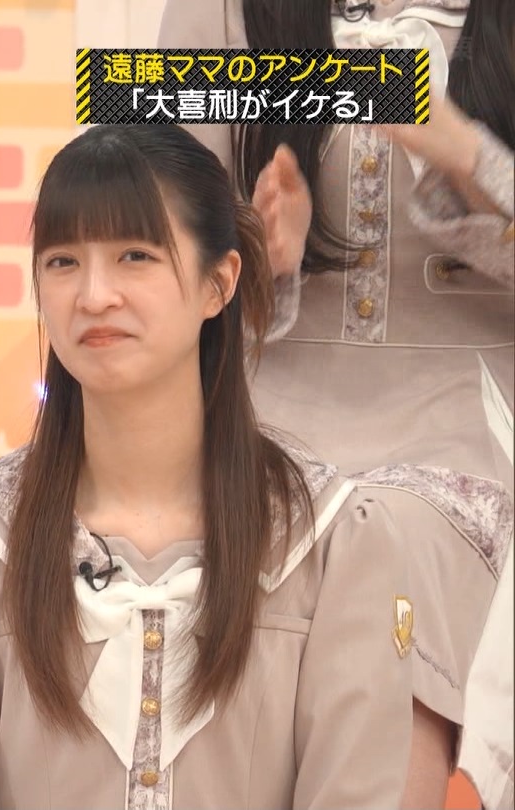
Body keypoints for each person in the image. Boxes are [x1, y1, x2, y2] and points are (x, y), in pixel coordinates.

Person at [0, 124, 513, 808]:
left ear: (219, 284)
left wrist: (464, 150)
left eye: (134, 256)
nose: (93, 296)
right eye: (62, 261)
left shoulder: (335, 545)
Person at [159, 2, 515, 805]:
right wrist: (252, 253)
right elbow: (142, 236)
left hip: (469, 416)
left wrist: (469, 155)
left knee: (390, 537)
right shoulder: (219, 14)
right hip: (263, 413)